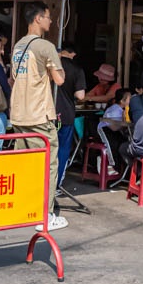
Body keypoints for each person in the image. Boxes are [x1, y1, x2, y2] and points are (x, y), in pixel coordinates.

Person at [9, 1, 67, 231]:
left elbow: (13, 78)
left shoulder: (18, 46)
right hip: (39, 115)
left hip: (18, 114)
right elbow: (60, 79)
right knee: (48, 164)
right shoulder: (45, 46)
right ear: (37, 19)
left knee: (25, 164)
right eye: (48, 17)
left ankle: (24, 208)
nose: (51, 21)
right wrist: (59, 61)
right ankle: (46, 214)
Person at [56, 42, 87, 186]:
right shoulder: (76, 69)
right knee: (62, 149)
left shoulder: (50, 65)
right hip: (65, 114)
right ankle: (56, 183)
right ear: (73, 54)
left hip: (45, 113)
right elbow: (80, 95)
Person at [99, 88, 133, 175]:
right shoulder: (115, 109)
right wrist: (123, 121)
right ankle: (110, 165)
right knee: (112, 144)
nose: (132, 99)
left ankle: (121, 168)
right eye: (130, 98)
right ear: (122, 101)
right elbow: (113, 127)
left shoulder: (123, 110)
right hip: (106, 130)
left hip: (114, 130)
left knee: (122, 143)